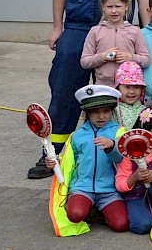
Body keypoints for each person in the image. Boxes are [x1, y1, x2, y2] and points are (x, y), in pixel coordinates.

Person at [38, 0, 151, 179]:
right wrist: (56, 27)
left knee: (117, 95)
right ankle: (53, 154)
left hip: (119, 32)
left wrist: (146, 30)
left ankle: (112, 153)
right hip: (77, 29)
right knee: (64, 91)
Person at [43, 85, 128, 232]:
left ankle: (96, 210)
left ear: (111, 111)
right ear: (87, 113)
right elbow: (68, 160)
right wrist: (54, 162)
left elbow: (122, 160)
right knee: (75, 215)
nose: (101, 117)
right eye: (95, 112)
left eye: (106, 111)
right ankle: (88, 206)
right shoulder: (77, 135)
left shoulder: (119, 131)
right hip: (82, 187)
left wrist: (112, 146)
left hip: (109, 189)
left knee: (121, 225)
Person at [80, 0, 149, 86]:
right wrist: (102, 57)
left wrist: (130, 57)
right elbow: (85, 61)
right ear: (103, 7)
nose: (114, 11)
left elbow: (146, 60)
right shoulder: (95, 31)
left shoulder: (135, 31)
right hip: (102, 86)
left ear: (126, 6)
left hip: (128, 87)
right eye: (109, 6)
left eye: (118, 6)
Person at [113, 61, 148, 130]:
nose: (132, 92)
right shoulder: (114, 110)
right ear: (118, 87)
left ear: (142, 90)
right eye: (127, 87)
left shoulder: (145, 109)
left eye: (136, 87)